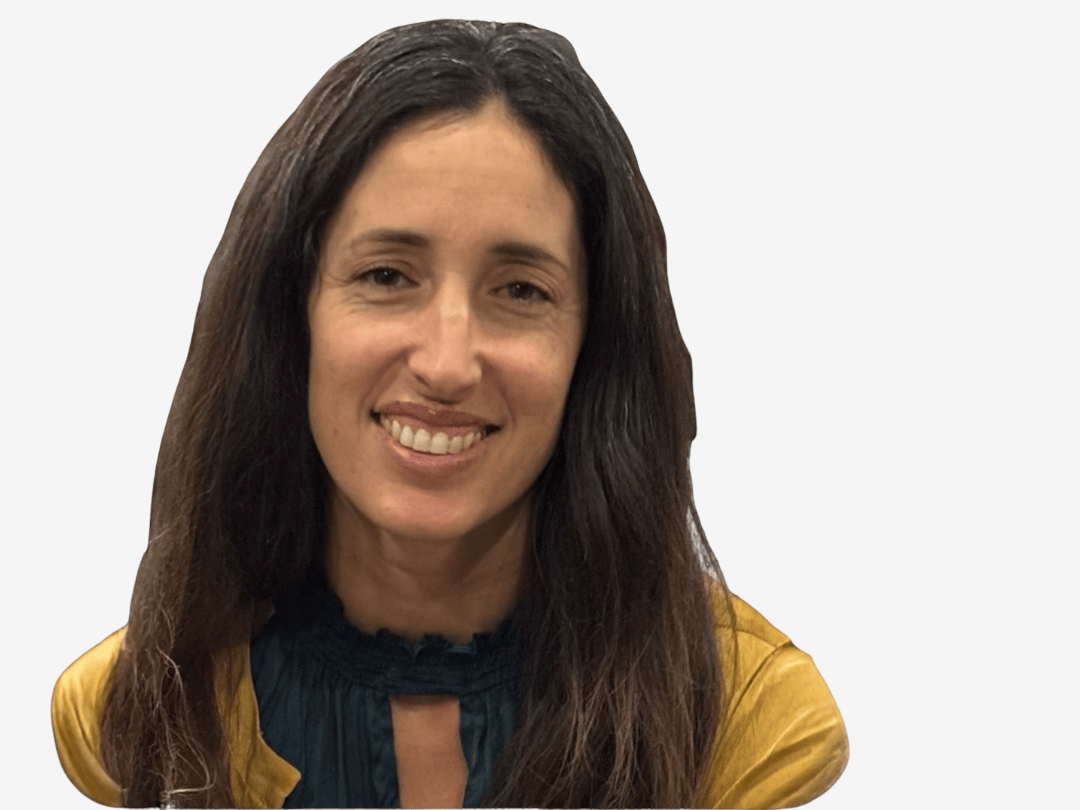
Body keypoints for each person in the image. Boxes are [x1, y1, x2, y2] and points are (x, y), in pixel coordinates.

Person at [52, 19, 847, 809]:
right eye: (387, 276)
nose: (446, 363)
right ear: (291, 316)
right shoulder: (140, 707)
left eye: (521, 290)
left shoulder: (747, 722)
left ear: (595, 348)